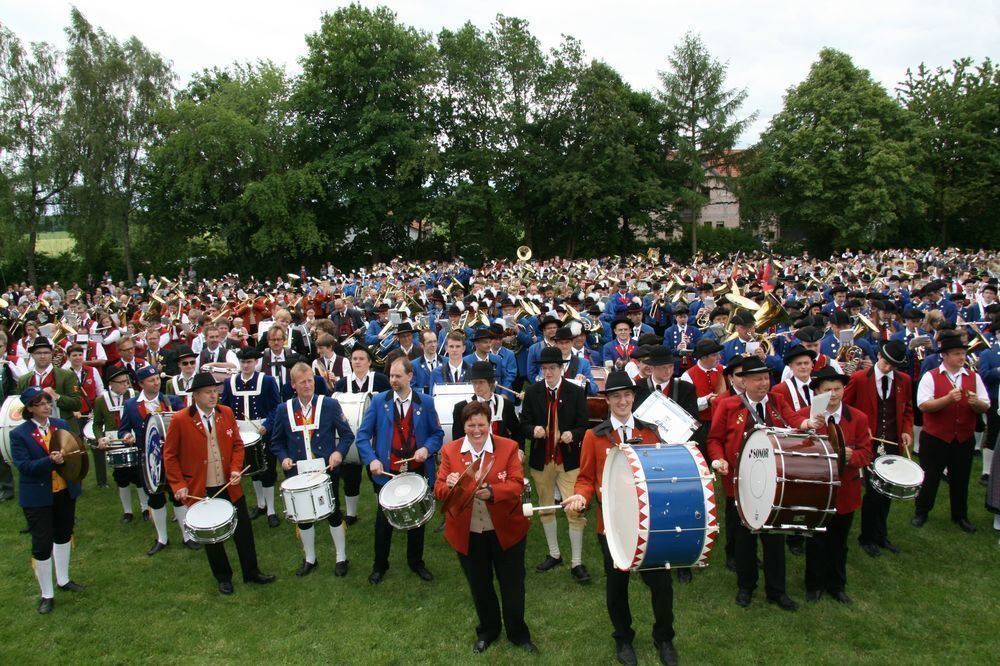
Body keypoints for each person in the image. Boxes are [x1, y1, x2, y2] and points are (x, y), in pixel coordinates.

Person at [563, 371, 679, 666]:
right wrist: (581, 497)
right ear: (608, 401)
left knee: (662, 584)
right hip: (612, 525)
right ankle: (623, 637)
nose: (623, 401)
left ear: (633, 397)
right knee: (617, 585)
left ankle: (664, 637)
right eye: (616, 396)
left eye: (627, 395)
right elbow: (586, 478)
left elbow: (663, 474)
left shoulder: (651, 431)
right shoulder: (594, 436)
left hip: (650, 524)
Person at [434, 401, 536, 655]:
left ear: (490, 424)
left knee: (513, 586)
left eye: (482, 424)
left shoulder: (508, 447)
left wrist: (491, 492)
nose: (476, 430)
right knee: (480, 587)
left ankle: (518, 633)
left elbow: (516, 484)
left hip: (507, 531)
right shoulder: (450, 451)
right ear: (463, 426)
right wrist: (450, 485)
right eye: (471, 425)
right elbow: (439, 490)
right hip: (468, 533)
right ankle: (488, 630)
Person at [163, 372, 276, 594]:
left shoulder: (225, 413)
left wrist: (235, 468)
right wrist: (178, 485)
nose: (213, 396)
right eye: (208, 392)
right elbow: (170, 456)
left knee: (243, 529)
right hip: (201, 488)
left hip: (229, 485)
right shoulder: (180, 420)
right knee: (212, 535)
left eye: (215, 391)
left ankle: (251, 571)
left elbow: (237, 444)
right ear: (195, 396)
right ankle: (223, 577)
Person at [707, 356, 804, 611]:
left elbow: (794, 422)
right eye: (757, 379)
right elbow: (714, 439)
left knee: (774, 538)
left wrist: (805, 423)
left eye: (766, 378)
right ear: (744, 382)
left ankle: (777, 590)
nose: (763, 383)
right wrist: (718, 460)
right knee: (744, 538)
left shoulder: (778, 402)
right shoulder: (728, 405)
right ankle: (745, 586)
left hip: (774, 482)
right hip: (740, 482)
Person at [355, 356, 444, 584]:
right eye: (391, 376)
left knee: (417, 521)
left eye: (397, 376)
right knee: (383, 523)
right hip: (387, 474)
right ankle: (379, 565)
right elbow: (363, 437)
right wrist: (372, 460)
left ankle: (416, 562)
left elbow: (437, 434)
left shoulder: (425, 402)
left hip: (416, 470)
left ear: (410, 376)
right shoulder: (378, 402)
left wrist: (426, 448)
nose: (393, 380)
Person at [795, 366, 873, 604]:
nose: (834, 394)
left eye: (838, 389)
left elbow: (866, 453)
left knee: (839, 542)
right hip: (816, 490)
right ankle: (813, 584)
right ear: (817, 391)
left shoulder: (858, 418)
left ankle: (837, 584)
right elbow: (795, 448)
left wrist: (852, 457)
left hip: (845, 490)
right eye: (828, 390)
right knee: (816, 540)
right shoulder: (806, 416)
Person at [270, 362, 356, 576]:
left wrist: (338, 453)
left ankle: (341, 557)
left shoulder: (329, 405)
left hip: (326, 471)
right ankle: (310, 558)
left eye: (310, 381)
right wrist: (284, 457)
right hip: (297, 475)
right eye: (302, 382)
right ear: (293, 385)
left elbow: (347, 435)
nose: (307, 385)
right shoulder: (284, 410)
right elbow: (276, 443)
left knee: (333, 514)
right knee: (303, 518)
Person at [9, 387, 84, 614]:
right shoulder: (19, 434)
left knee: (63, 534)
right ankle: (46, 594)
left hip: (63, 491)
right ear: (30, 408)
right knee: (41, 543)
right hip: (37, 497)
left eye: (48, 402)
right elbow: (24, 467)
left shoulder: (60, 426)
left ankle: (63, 579)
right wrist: (49, 461)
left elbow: (74, 451)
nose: (47, 407)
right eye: (41, 404)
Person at [519, 346, 590, 583]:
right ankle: (554, 554)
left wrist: (574, 434)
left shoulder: (575, 392)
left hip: (568, 460)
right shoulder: (533, 392)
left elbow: (584, 425)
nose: (547, 372)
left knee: (574, 508)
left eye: (552, 368)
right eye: (544, 368)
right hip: (542, 459)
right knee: (546, 507)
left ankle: (577, 562)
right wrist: (533, 430)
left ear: (562, 369)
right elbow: (524, 423)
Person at [843, 340, 914, 556]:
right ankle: (867, 537)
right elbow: (846, 409)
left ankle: (881, 535)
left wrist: (907, 431)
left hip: (892, 442)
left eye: (892, 364)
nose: (887, 367)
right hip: (869, 444)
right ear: (878, 357)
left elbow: (908, 409)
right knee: (874, 491)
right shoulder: (859, 379)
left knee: (887, 491)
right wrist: (858, 433)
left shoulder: (904, 380)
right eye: (885, 362)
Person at [912, 334, 989, 532]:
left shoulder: (973, 377)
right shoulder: (931, 376)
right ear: (945, 355)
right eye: (957, 354)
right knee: (930, 478)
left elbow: (985, 405)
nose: (962, 357)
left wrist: (976, 404)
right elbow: (923, 405)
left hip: (963, 437)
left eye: (963, 353)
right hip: (936, 437)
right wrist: (946, 400)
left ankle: (960, 515)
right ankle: (921, 511)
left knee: (961, 479)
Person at [118, 364, 186, 555]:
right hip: (148, 460)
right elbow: (123, 428)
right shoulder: (131, 405)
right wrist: (126, 436)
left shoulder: (171, 400)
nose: (156, 383)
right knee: (155, 498)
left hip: (173, 457)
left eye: (157, 379)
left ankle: (187, 536)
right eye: (151, 380)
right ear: (141, 384)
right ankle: (162, 538)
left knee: (178, 496)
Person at [220, 347, 282, 527]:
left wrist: (266, 426)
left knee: (267, 470)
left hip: (262, 431)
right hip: (240, 434)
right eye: (243, 362)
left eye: (249, 362)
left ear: (256, 363)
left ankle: (271, 509)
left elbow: (275, 408)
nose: (245, 365)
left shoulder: (267, 381)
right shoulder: (230, 382)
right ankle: (260, 504)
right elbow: (225, 409)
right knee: (251, 470)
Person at [333, 345, 390, 524]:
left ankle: (382, 511)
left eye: (361, 359)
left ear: (370, 362)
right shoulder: (342, 383)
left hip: (376, 436)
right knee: (350, 475)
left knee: (377, 474)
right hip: (350, 436)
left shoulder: (380, 380)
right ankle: (351, 514)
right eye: (354, 359)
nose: (357, 362)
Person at [94, 366, 146, 522]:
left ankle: (145, 508)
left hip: (134, 441)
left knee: (139, 476)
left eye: (127, 381)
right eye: (121, 382)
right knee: (121, 478)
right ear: (111, 384)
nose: (125, 385)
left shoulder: (135, 396)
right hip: (115, 444)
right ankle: (127, 511)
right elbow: (97, 424)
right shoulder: (101, 400)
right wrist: (99, 438)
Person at [15, 338, 83, 435]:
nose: (42, 356)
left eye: (46, 353)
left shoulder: (67, 375)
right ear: (32, 355)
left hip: (63, 431)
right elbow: (19, 406)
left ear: (51, 354)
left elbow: (77, 404)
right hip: (34, 432)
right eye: (38, 353)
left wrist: (56, 396)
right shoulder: (24, 380)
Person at [451, 361, 520, 440]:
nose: (477, 386)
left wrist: (519, 449)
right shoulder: (461, 407)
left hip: (501, 450)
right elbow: (457, 439)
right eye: (474, 383)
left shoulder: (505, 404)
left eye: (481, 382)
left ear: (490, 383)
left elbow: (517, 432)